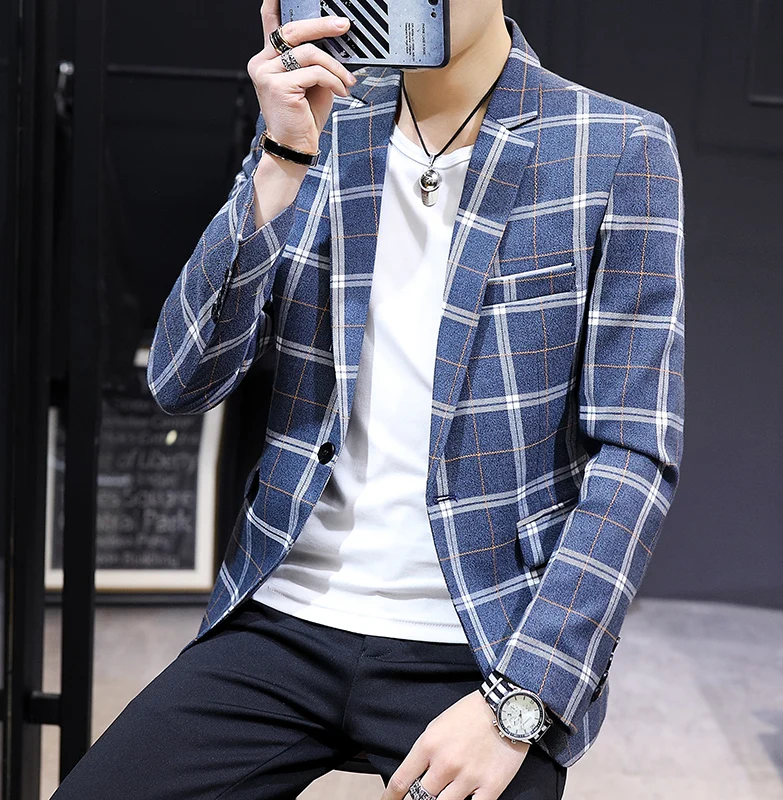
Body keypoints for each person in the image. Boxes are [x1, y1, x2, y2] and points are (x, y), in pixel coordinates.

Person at [53, 1, 685, 798]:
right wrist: (279, 161)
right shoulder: (324, 122)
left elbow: (634, 454)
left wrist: (519, 701)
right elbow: (183, 380)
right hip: (285, 613)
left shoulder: (617, 146)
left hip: (481, 640)